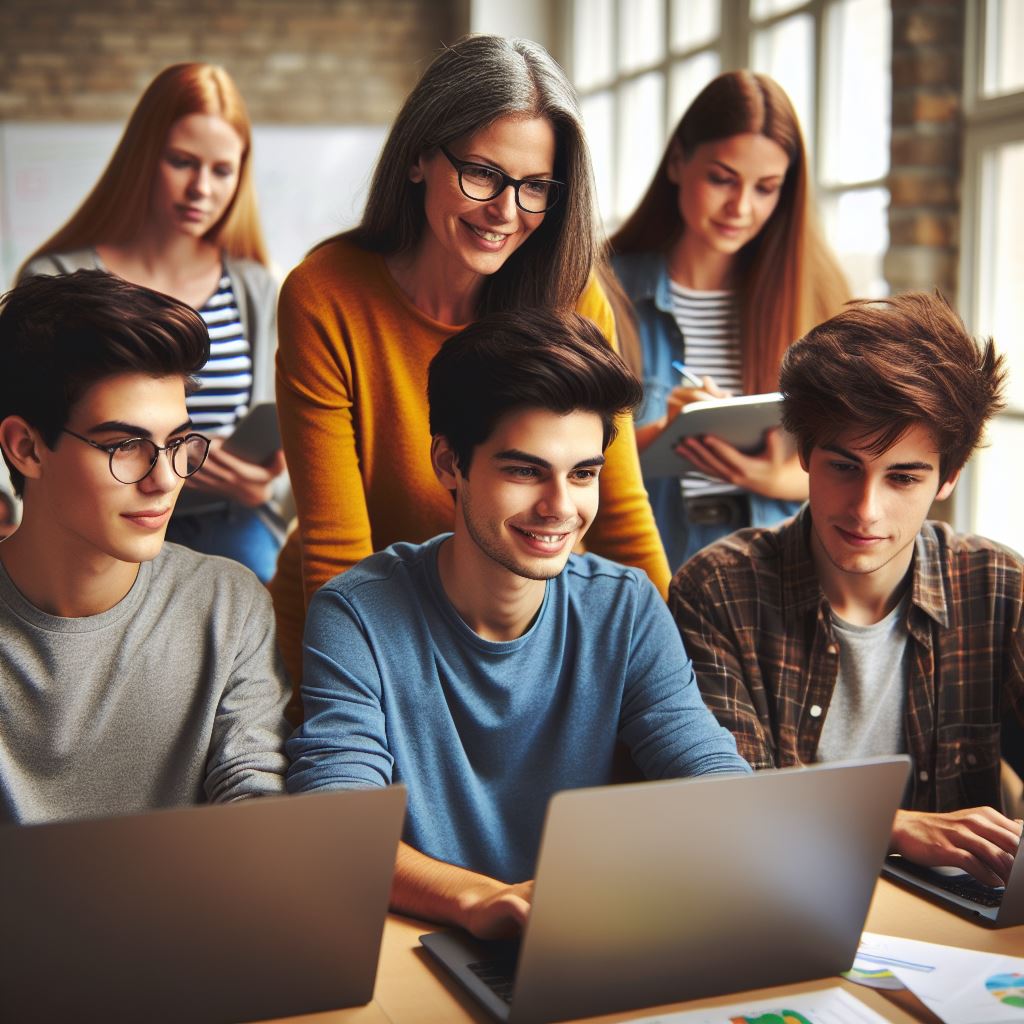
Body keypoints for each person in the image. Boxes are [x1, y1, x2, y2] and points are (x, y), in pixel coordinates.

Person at [286, 309, 749, 939]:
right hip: (416, 942)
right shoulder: (356, 613)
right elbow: (336, 826)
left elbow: (708, 769)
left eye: (583, 473)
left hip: (582, 937)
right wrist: (478, 901)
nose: (560, 507)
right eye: (525, 470)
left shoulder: (627, 606)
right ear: (449, 464)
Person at [270, 34, 670, 708]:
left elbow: (623, 518)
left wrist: (677, 678)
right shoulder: (326, 293)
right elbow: (340, 554)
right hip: (358, 636)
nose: (506, 213)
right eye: (482, 174)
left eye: (536, 187)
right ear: (421, 156)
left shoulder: (574, 296)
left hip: (511, 644)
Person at [670, 291, 1024, 887]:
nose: (866, 509)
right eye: (844, 466)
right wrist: (891, 825)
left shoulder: (997, 587)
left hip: (957, 933)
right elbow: (726, 804)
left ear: (948, 478)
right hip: (776, 904)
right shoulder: (720, 589)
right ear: (804, 455)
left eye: (903, 477)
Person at [0, 270, 290, 824]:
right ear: (26, 448)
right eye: (126, 446)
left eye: (178, 443)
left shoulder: (227, 603)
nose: (165, 479)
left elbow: (256, 801)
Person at [18, 62, 286, 582]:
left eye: (221, 170)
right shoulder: (55, 278)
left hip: (229, 530)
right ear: (143, 158)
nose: (201, 189)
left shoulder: (255, 287)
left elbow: (283, 443)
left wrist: (264, 485)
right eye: (182, 162)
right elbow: (34, 433)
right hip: (93, 527)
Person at [610, 70, 850, 570]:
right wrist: (666, 433)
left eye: (766, 188)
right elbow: (555, 455)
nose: (741, 208)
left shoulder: (817, 296)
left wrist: (768, 477)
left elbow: (864, 459)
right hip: (650, 559)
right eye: (722, 179)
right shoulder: (605, 291)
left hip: (781, 565)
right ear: (678, 161)